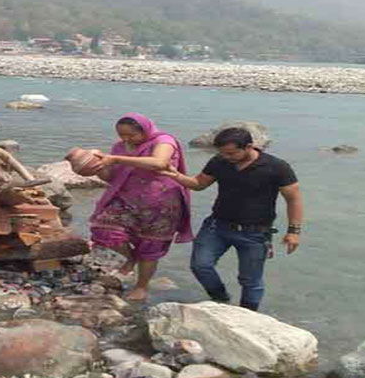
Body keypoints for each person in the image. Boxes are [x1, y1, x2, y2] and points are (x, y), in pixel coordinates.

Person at [162, 127, 303, 311]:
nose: (226, 157)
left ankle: (248, 315)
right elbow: (199, 184)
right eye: (222, 153)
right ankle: (221, 300)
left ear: (249, 146)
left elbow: (294, 199)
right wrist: (177, 176)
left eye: (231, 153)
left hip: (255, 233)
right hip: (217, 226)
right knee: (200, 265)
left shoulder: (276, 167)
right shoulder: (219, 161)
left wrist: (294, 232)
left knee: (250, 280)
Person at [88, 113, 192, 301]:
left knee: (151, 246)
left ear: (145, 130)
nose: (126, 139)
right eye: (122, 135)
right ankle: (131, 257)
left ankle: (141, 287)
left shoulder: (164, 141)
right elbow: (111, 177)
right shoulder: (119, 148)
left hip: (161, 203)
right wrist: (97, 167)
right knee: (103, 228)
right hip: (126, 200)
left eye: (131, 135)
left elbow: (159, 163)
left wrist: (117, 159)